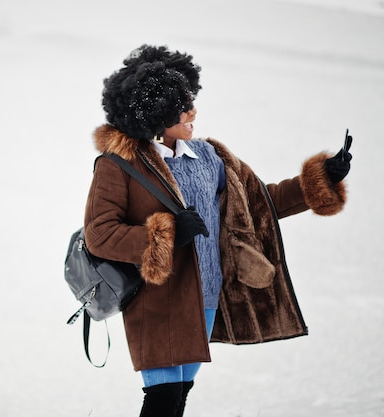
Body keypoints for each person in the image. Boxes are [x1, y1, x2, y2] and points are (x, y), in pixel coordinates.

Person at [83, 44, 352, 417]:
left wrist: (322, 179)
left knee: (179, 394)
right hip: (156, 299)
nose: (193, 111)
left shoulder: (209, 156)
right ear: (156, 115)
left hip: (208, 295)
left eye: (191, 99)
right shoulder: (119, 166)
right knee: (162, 397)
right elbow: (100, 233)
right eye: (182, 106)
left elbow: (258, 202)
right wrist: (167, 234)